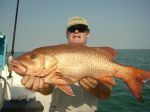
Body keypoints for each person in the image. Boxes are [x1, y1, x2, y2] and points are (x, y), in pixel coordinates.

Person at [21, 16, 112, 112]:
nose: (76, 31)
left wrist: (95, 87)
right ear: (67, 33)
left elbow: (106, 95)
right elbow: (48, 90)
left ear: (88, 33)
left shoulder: (99, 57)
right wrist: (42, 87)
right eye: (72, 29)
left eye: (81, 29)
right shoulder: (53, 54)